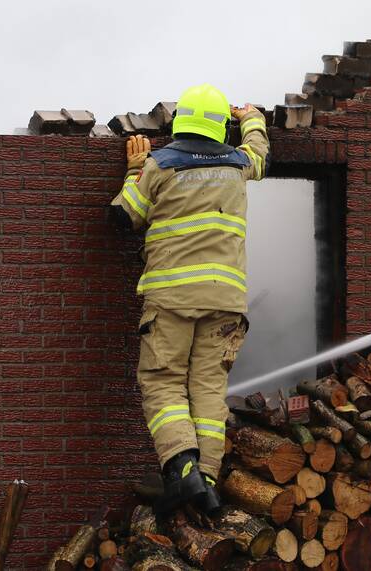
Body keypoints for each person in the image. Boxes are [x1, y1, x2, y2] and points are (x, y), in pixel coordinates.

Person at [109, 83, 270, 515]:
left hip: (172, 299)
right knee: (208, 388)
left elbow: (124, 215)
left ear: (180, 122)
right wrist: (252, 118)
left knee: (163, 382)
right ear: (221, 127)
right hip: (227, 301)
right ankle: (208, 483)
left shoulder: (160, 165)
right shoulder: (238, 164)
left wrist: (134, 170)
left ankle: (182, 470)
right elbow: (259, 153)